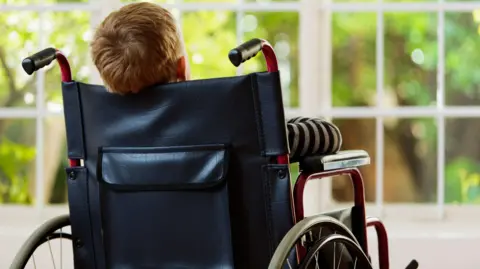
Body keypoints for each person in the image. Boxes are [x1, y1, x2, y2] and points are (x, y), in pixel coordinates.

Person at [90, 2, 342, 162]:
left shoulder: (100, 130)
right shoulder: (225, 119)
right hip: (233, 246)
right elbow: (330, 136)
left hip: (137, 244)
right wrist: (275, 128)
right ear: (181, 66)